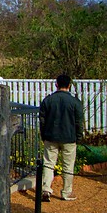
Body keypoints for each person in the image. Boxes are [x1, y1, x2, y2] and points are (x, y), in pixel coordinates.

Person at [39, 74, 84, 202]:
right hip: (69, 137)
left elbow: (42, 120)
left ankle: (46, 189)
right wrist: (79, 137)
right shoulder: (75, 102)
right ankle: (66, 192)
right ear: (69, 85)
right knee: (68, 166)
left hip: (51, 136)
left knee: (48, 164)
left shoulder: (48, 100)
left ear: (56, 84)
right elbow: (79, 122)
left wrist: (43, 135)